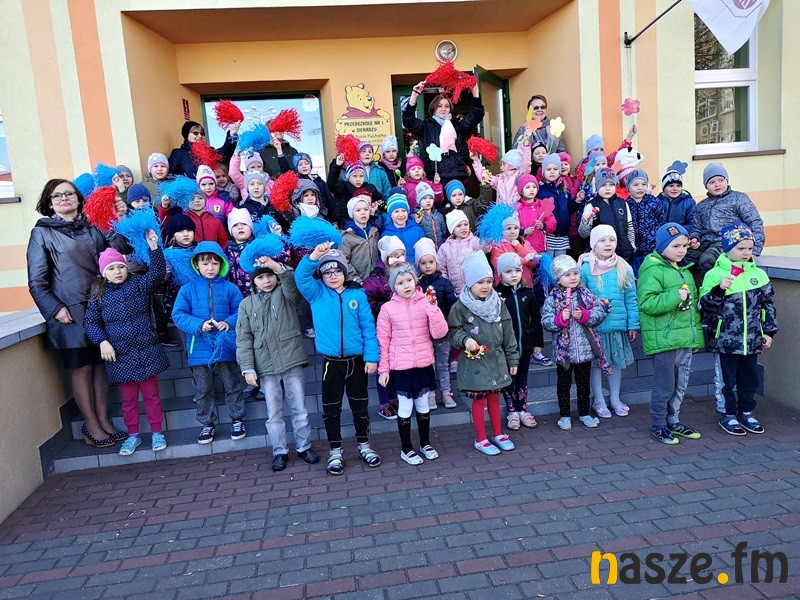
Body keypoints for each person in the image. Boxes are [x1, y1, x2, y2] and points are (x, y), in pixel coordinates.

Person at [27, 178, 129, 448]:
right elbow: (36, 281)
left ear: (78, 198)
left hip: (99, 306)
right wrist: (55, 309)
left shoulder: (93, 224)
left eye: (69, 193)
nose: (64, 198)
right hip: (68, 312)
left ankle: (103, 420)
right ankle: (91, 425)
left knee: (100, 366)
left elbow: (121, 250)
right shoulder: (42, 233)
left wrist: (115, 221)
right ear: (49, 203)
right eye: (57, 196)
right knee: (82, 368)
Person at [295, 244, 382, 475]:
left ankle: (364, 446)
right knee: (331, 409)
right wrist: (314, 256)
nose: (333, 276)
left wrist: (372, 357)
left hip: (357, 362)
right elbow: (301, 277)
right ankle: (335, 451)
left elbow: (368, 328)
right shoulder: (317, 293)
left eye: (337, 271)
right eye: (327, 273)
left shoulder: (357, 295)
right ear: (321, 276)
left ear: (345, 272)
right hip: (331, 364)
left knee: (360, 406)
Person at [84, 235, 169, 455]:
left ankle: (157, 432)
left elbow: (158, 274)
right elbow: (91, 322)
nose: (117, 272)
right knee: (128, 400)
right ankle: (133, 435)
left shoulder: (138, 284)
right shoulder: (99, 294)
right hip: (120, 357)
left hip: (146, 351)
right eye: (111, 269)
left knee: (151, 396)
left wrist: (154, 248)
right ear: (104, 273)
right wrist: (102, 341)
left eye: (120, 267)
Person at [236, 256, 319, 471]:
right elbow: (243, 338)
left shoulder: (285, 294)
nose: (266, 281)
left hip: (291, 359)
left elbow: (291, 282)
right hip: (265, 365)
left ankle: (304, 446)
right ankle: (279, 451)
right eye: (261, 277)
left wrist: (276, 267)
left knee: (299, 408)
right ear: (253, 281)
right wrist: (247, 368)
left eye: (269, 275)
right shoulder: (246, 304)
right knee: (273, 413)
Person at [698, 223, 777, 436]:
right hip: (724, 340)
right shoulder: (714, 274)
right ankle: (728, 414)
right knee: (725, 381)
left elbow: (768, 306)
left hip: (752, 339)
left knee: (749, 379)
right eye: (740, 248)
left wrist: (768, 332)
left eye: (750, 248)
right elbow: (704, 307)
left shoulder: (759, 275)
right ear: (727, 248)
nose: (746, 252)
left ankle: (746, 412)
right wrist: (719, 289)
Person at [171, 242, 246, 445]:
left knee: (232, 383)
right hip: (199, 347)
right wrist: (199, 325)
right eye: (205, 264)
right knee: (203, 388)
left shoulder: (230, 288)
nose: (210, 268)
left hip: (224, 345)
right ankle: (207, 423)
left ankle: (237, 419)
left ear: (222, 264)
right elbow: (178, 315)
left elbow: (241, 311)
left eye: (214, 263)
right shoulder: (187, 290)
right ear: (196, 265)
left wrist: (228, 323)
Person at [637, 223, 704, 445]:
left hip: (684, 338)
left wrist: (695, 338)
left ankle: (673, 421)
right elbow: (647, 303)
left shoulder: (684, 270)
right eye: (675, 246)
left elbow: (692, 310)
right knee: (664, 385)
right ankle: (658, 424)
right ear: (662, 246)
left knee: (679, 385)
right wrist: (676, 296)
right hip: (664, 340)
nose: (681, 250)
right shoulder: (652, 269)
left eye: (684, 245)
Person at [377, 263, 449, 465]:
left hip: (423, 363)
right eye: (400, 283)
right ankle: (406, 448)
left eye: (409, 280)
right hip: (401, 367)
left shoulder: (426, 301)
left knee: (423, 405)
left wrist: (433, 309)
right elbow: (383, 340)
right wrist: (384, 369)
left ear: (415, 280)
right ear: (393, 286)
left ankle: (425, 443)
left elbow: (440, 333)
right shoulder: (387, 309)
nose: (406, 285)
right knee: (406, 407)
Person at [448, 251, 518, 455]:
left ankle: (497, 433)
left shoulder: (498, 303)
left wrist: (512, 358)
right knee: (479, 399)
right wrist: (465, 340)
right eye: (480, 282)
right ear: (470, 283)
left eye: (488, 281)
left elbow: (508, 331)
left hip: (496, 359)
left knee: (495, 397)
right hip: (475, 361)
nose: (485, 286)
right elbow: (452, 330)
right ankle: (480, 438)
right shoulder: (460, 307)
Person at [541, 254, 610, 431]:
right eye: (567, 275)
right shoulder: (552, 298)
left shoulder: (585, 294)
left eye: (575, 273)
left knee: (583, 383)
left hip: (585, 349)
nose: (573, 277)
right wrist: (559, 319)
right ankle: (564, 415)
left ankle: (584, 413)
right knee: (563, 384)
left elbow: (598, 312)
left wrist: (585, 315)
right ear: (558, 279)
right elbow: (546, 321)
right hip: (564, 351)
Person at [579, 226, 639, 419]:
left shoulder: (623, 267)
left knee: (615, 364)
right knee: (597, 366)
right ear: (593, 244)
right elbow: (581, 299)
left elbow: (631, 297)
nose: (608, 244)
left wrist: (633, 324)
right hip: (595, 329)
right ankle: (598, 400)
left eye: (611, 240)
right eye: (602, 240)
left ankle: (615, 398)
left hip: (617, 327)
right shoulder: (586, 268)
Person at [495, 253, 548, 431]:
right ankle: (512, 412)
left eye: (517, 270)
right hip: (506, 348)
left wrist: (538, 342)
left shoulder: (528, 293)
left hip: (525, 345)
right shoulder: (497, 294)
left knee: (522, 378)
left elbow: (536, 319)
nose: (514, 275)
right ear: (500, 274)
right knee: (509, 379)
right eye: (508, 271)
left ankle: (522, 409)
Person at [402, 82, 485, 186]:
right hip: (434, 171)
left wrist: (476, 94)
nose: (443, 109)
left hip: (456, 170)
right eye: (439, 106)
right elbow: (408, 121)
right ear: (433, 109)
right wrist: (414, 96)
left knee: (457, 196)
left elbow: (475, 116)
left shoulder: (457, 125)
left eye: (447, 106)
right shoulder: (426, 126)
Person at [689, 163, 765, 276]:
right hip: (704, 244)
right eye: (711, 182)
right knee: (682, 258)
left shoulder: (738, 199)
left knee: (707, 260)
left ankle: (716, 286)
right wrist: (694, 238)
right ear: (706, 185)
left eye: (721, 180)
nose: (717, 184)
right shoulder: (701, 206)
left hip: (728, 243)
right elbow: (696, 227)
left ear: (727, 180)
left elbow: (754, 222)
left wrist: (754, 250)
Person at [415, 237, 458, 409]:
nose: (427, 266)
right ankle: (431, 394)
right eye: (423, 263)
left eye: (431, 262)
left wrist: (450, 325)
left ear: (436, 262)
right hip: (423, 332)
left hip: (442, 332)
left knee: (443, 363)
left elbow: (452, 305)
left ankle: (446, 393)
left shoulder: (444, 283)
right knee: (428, 364)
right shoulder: (417, 285)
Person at [579, 168, 635, 263]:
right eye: (603, 185)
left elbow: (630, 227)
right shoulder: (591, 205)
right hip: (602, 257)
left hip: (624, 255)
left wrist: (632, 245)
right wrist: (585, 222)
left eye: (611, 185)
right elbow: (583, 235)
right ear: (597, 187)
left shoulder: (623, 203)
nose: (608, 188)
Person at [625, 168, 664, 276]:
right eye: (636, 185)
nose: (640, 188)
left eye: (643, 184)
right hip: (633, 252)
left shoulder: (654, 202)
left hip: (651, 249)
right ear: (628, 188)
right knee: (636, 275)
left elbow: (661, 221)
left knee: (651, 274)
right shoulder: (625, 204)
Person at [168, 120, 238, 179]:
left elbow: (225, 153)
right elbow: (170, 175)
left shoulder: (209, 151)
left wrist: (231, 134)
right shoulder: (178, 153)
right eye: (195, 133)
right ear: (187, 135)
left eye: (202, 133)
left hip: (209, 189)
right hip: (188, 191)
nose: (200, 136)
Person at [437, 209, 483, 295]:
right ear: (452, 229)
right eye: (459, 226)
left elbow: (483, 248)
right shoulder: (445, 247)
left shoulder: (474, 241)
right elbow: (442, 269)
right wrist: (447, 287)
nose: (463, 228)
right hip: (455, 291)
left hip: (474, 289)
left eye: (466, 224)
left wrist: (487, 241)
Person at [339, 193, 380, 283]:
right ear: (352, 213)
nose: (363, 212)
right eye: (358, 210)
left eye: (366, 209)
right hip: (358, 281)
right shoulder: (347, 236)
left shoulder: (374, 232)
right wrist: (356, 280)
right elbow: (344, 260)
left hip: (375, 279)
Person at [380, 192, 426, 264]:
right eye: (396, 211)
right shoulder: (386, 235)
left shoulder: (417, 230)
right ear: (390, 215)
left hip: (416, 269)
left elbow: (424, 253)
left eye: (404, 211)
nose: (401, 215)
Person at [517, 174, 556, 256]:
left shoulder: (543, 205)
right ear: (521, 191)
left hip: (540, 248)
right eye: (527, 187)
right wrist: (523, 231)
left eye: (534, 187)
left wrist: (544, 225)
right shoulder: (517, 208)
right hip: (523, 249)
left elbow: (553, 223)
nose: (531, 189)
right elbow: (510, 228)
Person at [225, 208, 255, 297]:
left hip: (258, 297)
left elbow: (283, 256)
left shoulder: (258, 247)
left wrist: (279, 236)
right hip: (236, 298)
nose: (240, 227)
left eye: (244, 224)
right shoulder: (226, 253)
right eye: (235, 225)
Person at [414, 182, 447, 250]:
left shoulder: (439, 215)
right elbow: (415, 235)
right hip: (426, 252)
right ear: (419, 201)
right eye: (424, 198)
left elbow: (444, 235)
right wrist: (417, 222)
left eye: (431, 198)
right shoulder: (415, 216)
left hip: (441, 251)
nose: (428, 200)